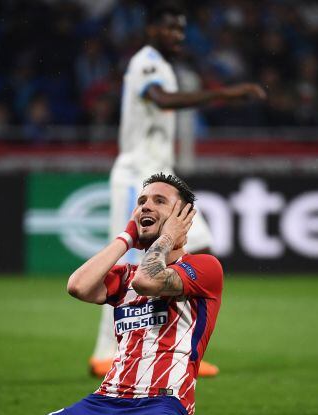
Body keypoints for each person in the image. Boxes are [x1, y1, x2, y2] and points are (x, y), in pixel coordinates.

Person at [0, 173, 228, 415]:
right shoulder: (124, 276)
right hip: (104, 402)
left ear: (183, 219)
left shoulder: (204, 268)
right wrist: (127, 236)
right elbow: (78, 286)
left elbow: (148, 282)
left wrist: (166, 239)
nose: (145, 207)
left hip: (160, 405)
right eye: (141, 202)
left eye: (159, 201)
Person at [90, 1, 266, 378]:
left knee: (199, 247)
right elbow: (163, 100)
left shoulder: (163, 65)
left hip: (161, 177)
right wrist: (225, 95)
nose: (177, 36)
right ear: (151, 29)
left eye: (181, 30)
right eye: (170, 29)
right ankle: (107, 352)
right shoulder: (146, 62)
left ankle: (179, 343)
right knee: (131, 264)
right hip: (138, 176)